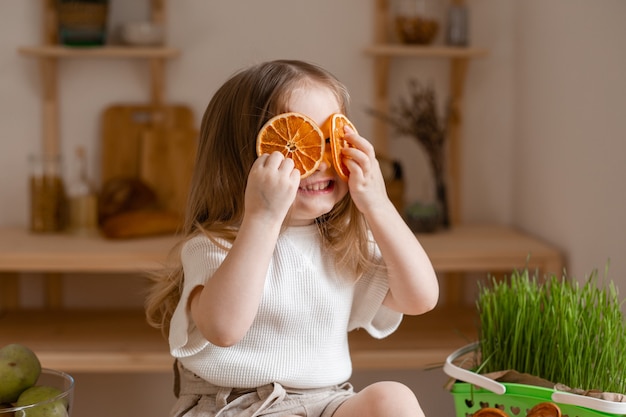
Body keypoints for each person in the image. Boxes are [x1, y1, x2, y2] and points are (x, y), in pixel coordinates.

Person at [145, 59, 439, 417]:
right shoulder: (214, 246)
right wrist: (263, 218)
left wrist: (378, 203)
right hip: (236, 405)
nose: (319, 161)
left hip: (326, 402)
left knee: (393, 399)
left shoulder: (342, 242)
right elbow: (223, 329)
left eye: (330, 139)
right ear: (240, 160)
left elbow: (421, 297)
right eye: (293, 144)